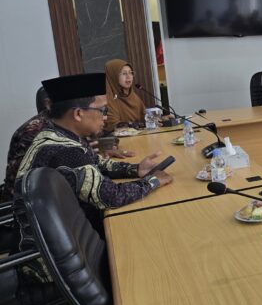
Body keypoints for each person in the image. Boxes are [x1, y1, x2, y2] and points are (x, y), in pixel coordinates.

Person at [15, 73, 172, 231]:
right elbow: (110, 196)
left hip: (64, 223)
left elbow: (96, 162)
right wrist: (153, 181)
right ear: (78, 114)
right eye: (103, 110)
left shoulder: (58, 132)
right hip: (53, 237)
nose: (105, 117)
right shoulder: (64, 150)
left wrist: (135, 169)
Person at [1, 88, 52, 203]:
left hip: (39, 196)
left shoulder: (55, 125)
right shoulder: (35, 130)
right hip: (22, 203)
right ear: (48, 104)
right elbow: (26, 179)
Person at [104, 59, 147, 132]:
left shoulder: (133, 97)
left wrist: (159, 119)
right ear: (113, 76)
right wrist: (138, 125)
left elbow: (146, 119)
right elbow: (114, 126)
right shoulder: (106, 100)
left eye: (131, 73)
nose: (129, 76)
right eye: (124, 73)